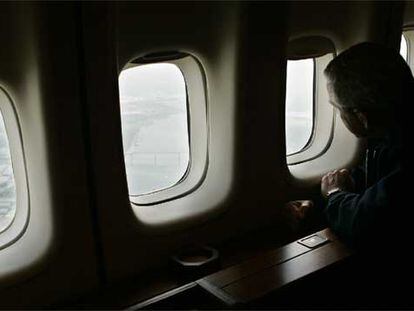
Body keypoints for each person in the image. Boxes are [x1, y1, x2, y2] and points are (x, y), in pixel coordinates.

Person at [321, 42, 410, 251]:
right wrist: (343, 186)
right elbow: (383, 185)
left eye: (338, 109)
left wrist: (334, 194)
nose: (339, 116)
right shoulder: (394, 134)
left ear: (362, 116)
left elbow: (365, 224)